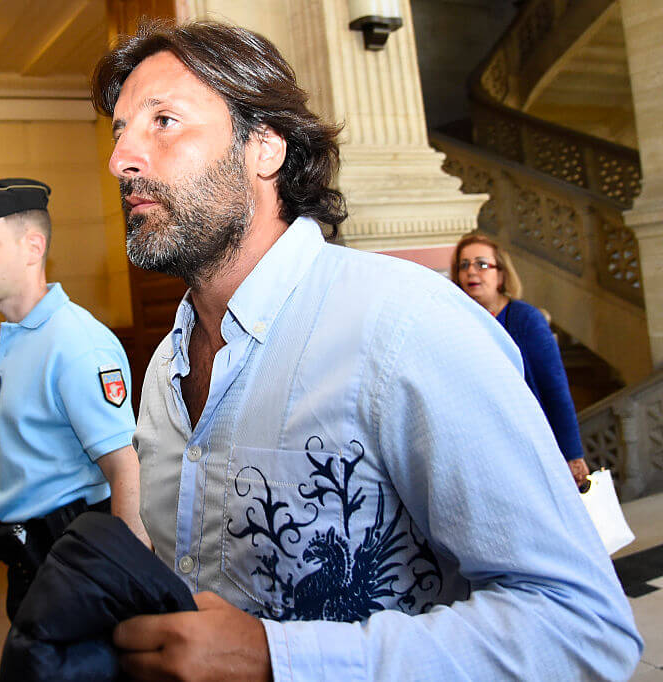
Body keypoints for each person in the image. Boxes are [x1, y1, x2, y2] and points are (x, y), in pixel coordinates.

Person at [91, 20, 641, 681]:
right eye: (120, 129)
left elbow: (581, 626)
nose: (123, 158)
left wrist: (278, 659)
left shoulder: (409, 328)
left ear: (264, 147)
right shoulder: (162, 374)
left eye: (163, 121)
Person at [0, 177, 150, 619]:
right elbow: (20, 456)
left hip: (69, 549)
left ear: (33, 248)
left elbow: (124, 464)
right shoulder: (10, 342)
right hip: (25, 551)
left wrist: (123, 573)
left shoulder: (75, 344)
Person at [452, 232, 591, 489]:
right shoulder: (456, 321)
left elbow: (554, 388)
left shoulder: (525, 319)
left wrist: (572, 454)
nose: (472, 272)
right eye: (464, 265)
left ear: (501, 274)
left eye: (482, 264)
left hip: (530, 444)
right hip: (483, 450)